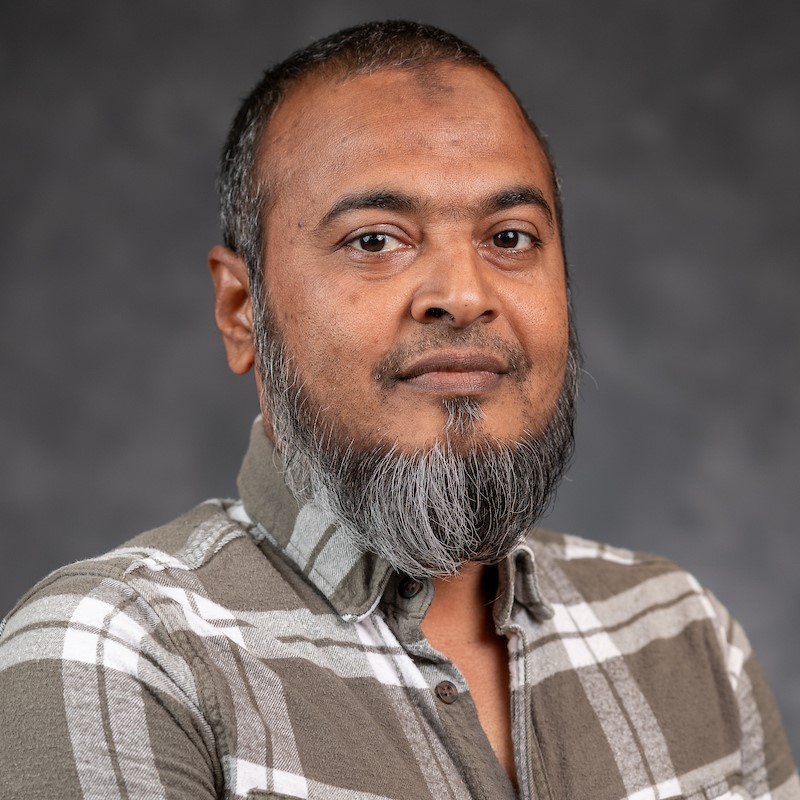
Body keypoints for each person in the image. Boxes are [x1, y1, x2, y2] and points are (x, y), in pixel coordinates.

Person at [0, 19, 796, 800]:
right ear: (243, 309)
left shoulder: (683, 631)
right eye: (376, 240)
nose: (463, 295)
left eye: (511, 237)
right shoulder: (119, 653)